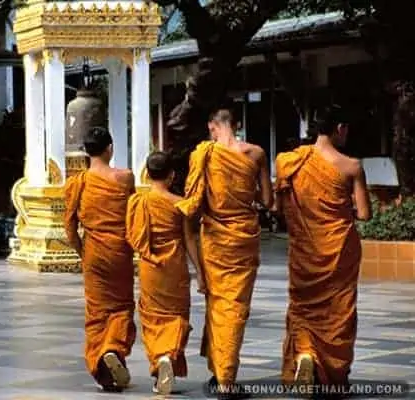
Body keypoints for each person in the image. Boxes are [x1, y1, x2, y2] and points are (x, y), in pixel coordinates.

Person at [176, 105, 272, 399]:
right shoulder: (255, 154)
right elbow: (268, 200)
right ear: (237, 124)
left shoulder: (203, 155)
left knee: (219, 305)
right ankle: (224, 375)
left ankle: (224, 376)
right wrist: (245, 195)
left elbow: (194, 202)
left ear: (211, 126)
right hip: (243, 239)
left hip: (216, 240)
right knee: (235, 307)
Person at [274, 105, 371, 388]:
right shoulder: (351, 166)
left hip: (305, 249)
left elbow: (280, 208)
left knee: (303, 307)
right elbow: (364, 214)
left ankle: (305, 352)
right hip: (339, 248)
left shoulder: (291, 162)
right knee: (338, 311)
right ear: (339, 128)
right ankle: (332, 373)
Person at [64, 126, 136, 392]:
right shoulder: (125, 178)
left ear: (86, 151)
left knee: (96, 313)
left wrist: (82, 251)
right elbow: (133, 213)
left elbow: (69, 225)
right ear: (110, 148)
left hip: (93, 252)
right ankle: (113, 347)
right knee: (121, 307)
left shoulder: (77, 182)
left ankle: (103, 368)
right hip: (120, 250)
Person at [125, 151, 192, 395]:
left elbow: (132, 236)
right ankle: (169, 355)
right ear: (172, 176)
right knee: (176, 316)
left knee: (152, 318)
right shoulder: (179, 204)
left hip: (150, 267)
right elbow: (190, 242)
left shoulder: (138, 202)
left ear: (146, 173)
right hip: (175, 267)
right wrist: (203, 274)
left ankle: (159, 361)